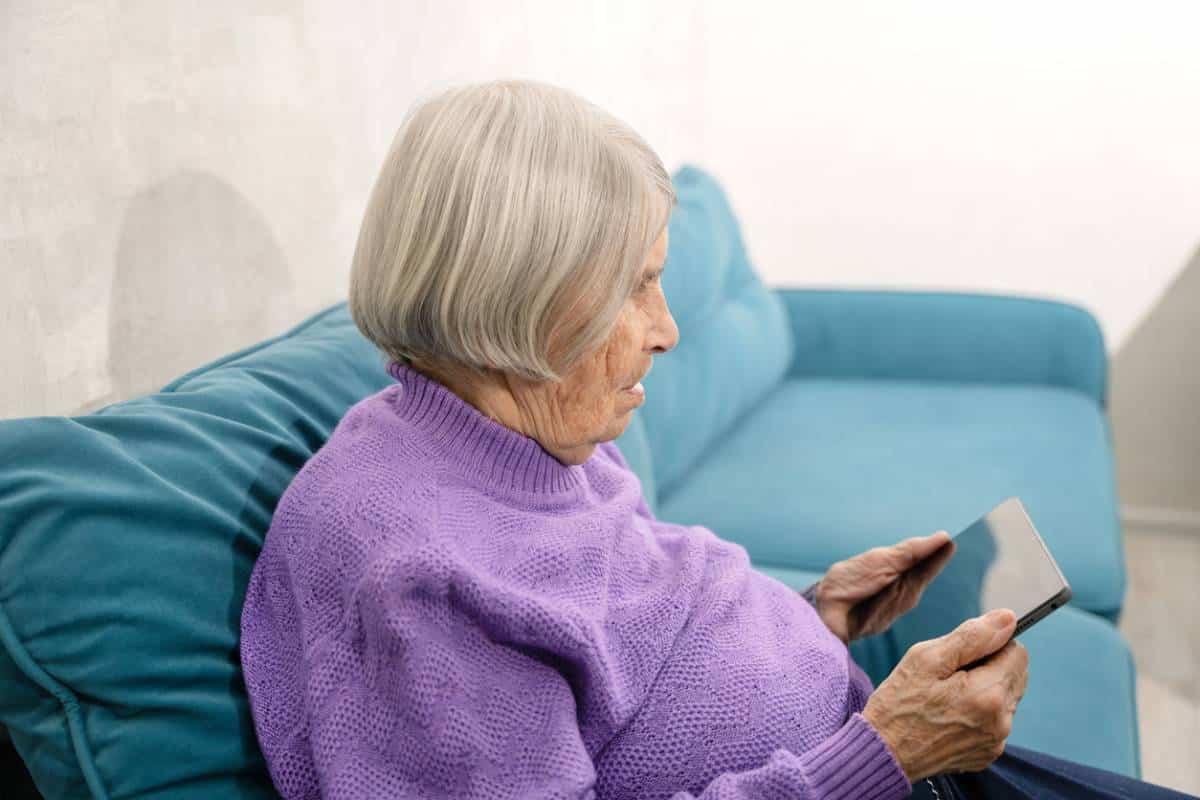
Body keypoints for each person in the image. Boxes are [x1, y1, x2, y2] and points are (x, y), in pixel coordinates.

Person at [238, 78, 1195, 799]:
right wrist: (883, 755)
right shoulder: (410, 575)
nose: (668, 328)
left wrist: (812, 615)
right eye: (635, 287)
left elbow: (636, 634)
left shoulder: (536, 425)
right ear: (519, 292)